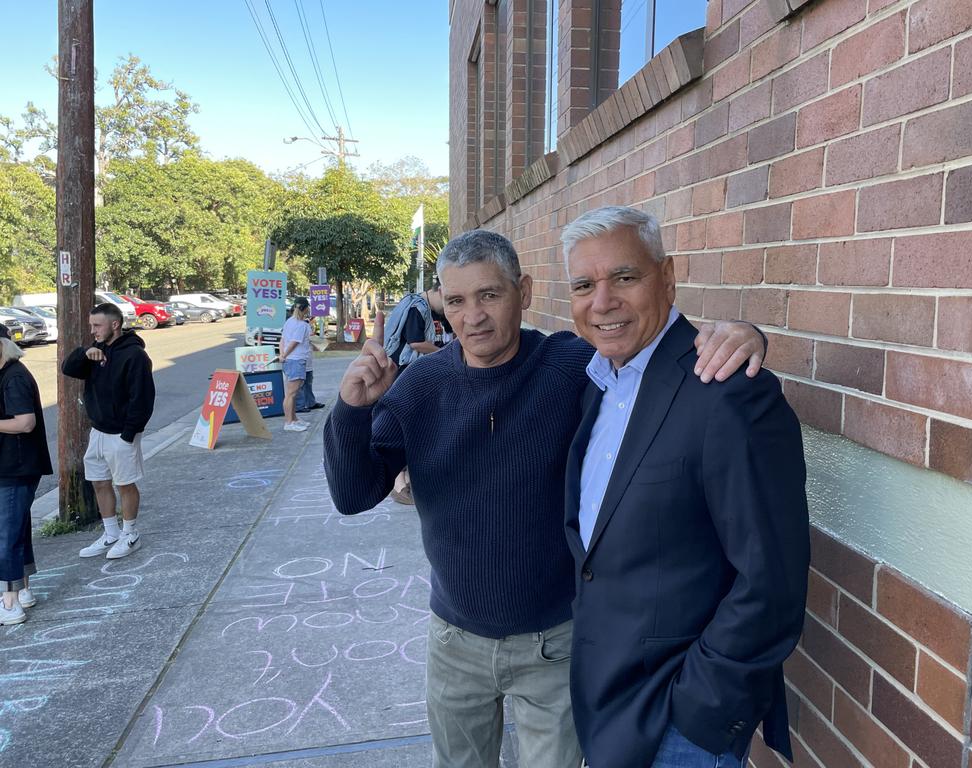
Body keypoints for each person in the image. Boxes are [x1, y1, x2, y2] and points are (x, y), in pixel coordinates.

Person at [323, 228, 767, 768]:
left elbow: (654, 360)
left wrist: (744, 335)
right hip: (455, 640)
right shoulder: (420, 389)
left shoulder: (574, 366)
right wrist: (352, 411)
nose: (473, 317)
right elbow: (352, 495)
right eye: (457, 301)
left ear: (524, 292)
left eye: (490, 295)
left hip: (554, 643)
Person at [561, 206, 809, 768]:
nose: (602, 302)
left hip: (679, 726)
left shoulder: (729, 391)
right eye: (583, 285)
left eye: (625, 277)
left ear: (667, 277)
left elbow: (772, 581)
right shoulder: (597, 383)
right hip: (605, 705)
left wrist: (700, 715)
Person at [62, 303, 155, 560]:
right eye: (92, 326)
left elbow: (143, 399)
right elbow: (68, 369)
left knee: (125, 483)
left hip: (122, 433)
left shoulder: (134, 355)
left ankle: (130, 533)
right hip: (98, 431)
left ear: (115, 324)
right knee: (99, 482)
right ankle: (110, 532)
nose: (93, 330)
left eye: (97, 325)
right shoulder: (96, 351)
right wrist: (84, 352)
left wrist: (129, 434)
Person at [381, 277, 453, 503]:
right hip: (404, 372)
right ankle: (398, 484)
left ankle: (412, 479)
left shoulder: (434, 310)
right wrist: (447, 352)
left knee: (421, 425)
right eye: (451, 299)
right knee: (404, 424)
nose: (451, 307)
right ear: (440, 291)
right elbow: (416, 343)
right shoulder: (416, 308)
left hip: (420, 372)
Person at [0, 327, 53, 625]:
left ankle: (10, 603)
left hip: (15, 466)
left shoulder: (14, 377)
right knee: (15, 528)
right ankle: (24, 592)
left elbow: (25, 422)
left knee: (6, 533)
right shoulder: (8, 373)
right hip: (14, 465)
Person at [279, 297, 313, 432]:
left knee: (292, 393)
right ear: (305, 309)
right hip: (296, 360)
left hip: (289, 360)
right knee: (291, 394)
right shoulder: (303, 325)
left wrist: (282, 355)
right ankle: (289, 422)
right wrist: (285, 355)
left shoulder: (289, 322)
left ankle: (294, 419)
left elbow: (282, 340)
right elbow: (294, 342)